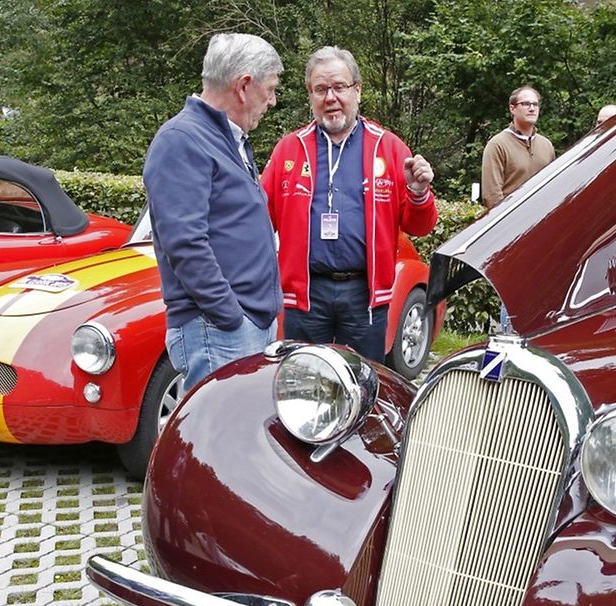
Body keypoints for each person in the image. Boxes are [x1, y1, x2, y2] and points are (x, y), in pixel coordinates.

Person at [262, 46, 437, 362]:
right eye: (321, 89)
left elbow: (420, 227)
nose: (330, 97)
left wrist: (419, 192)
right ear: (310, 95)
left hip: (364, 296)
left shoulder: (389, 147)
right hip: (304, 295)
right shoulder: (289, 149)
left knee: (362, 383)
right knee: (304, 385)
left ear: (357, 90)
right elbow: (259, 224)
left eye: (339, 87)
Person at [144, 33, 283, 393]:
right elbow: (186, 244)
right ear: (243, 86)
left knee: (245, 433)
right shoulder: (182, 140)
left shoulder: (227, 138)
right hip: (219, 329)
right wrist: (230, 317)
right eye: (269, 90)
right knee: (216, 443)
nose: (271, 101)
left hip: (241, 325)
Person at [480, 85, 555, 209]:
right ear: (512, 108)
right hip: (512, 222)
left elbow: (553, 186)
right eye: (526, 104)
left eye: (535, 104)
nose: (532, 108)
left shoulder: (546, 145)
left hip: (543, 218)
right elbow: (492, 195)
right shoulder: (497, 144)